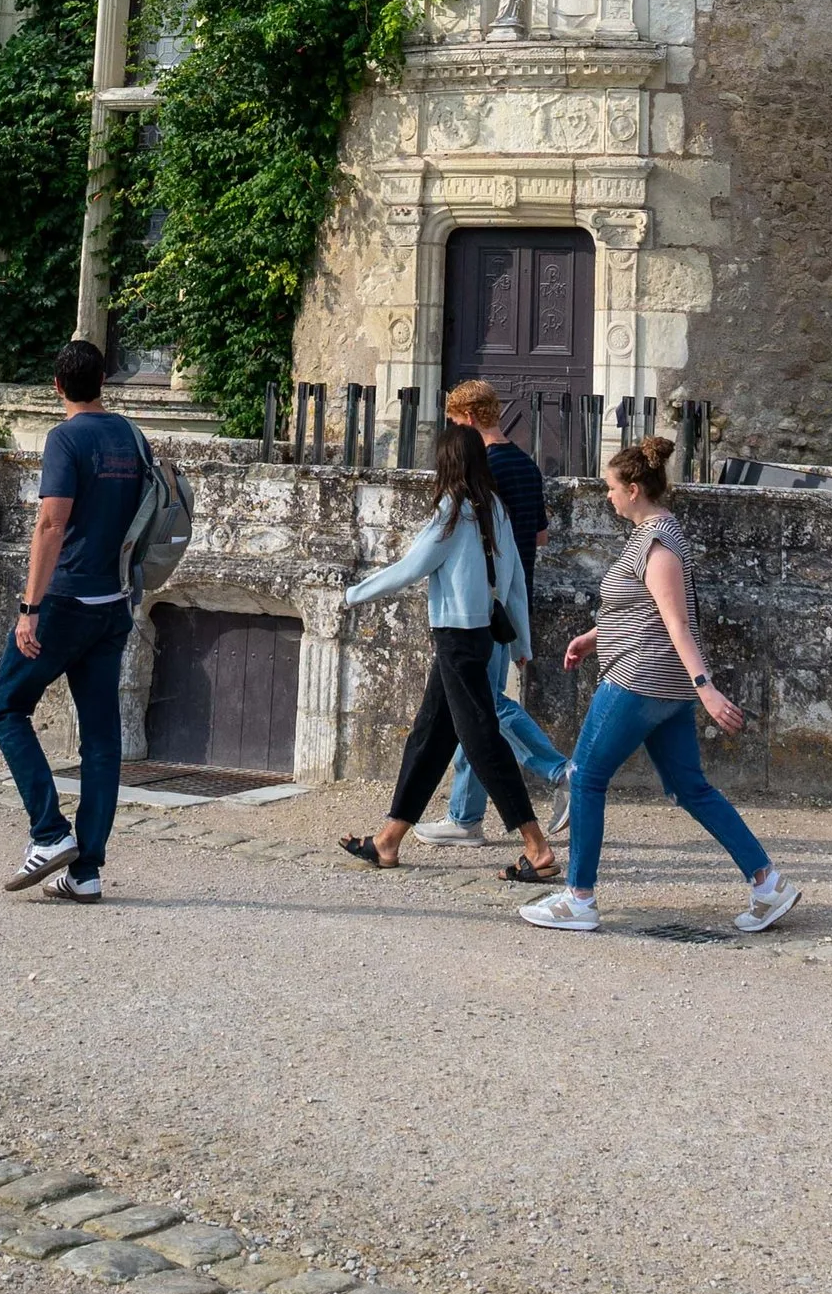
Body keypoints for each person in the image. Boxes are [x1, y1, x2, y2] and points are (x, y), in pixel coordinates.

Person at [517, 435, 800, 936]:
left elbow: (676, 622)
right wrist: (592, 636)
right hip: (660, 684)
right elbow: (638, 609)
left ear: (632, 488)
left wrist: (706, 687)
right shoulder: (654, 534)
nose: (606, 496)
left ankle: (579, 898)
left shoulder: (657, 542)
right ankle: (767, 883)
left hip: (640, 678)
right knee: (690, 787)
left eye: (610, 488)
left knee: (584, 777)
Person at [337, 420, 565, 881]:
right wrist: (520, 640)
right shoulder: (494, 508)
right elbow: (515, 580)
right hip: (477, 636)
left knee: (481, 738)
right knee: (430, 737)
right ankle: (388, 840)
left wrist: (351, 594)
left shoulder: (452, 509)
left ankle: (537, 849)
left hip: (456, 639)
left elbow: (413, 566)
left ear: (446, 462)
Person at [0, 336, 146, 905]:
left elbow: (51, 525)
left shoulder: (65, 438)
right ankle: (87, 871)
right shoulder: (131, 435)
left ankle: (50, 833)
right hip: (115, 604)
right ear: (103, 381)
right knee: (102, 740)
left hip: (66, 602)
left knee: (6, 708)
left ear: (57, 387)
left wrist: (29, 609)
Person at [411, 379, 573, 843]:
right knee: (473, 711)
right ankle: (465, 816)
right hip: (510, 604)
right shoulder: (524, 463)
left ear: (465, 419)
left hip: (483, 606)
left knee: (482, 706)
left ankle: (561, 771)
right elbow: (538, 537)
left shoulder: (485, 470)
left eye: (452, 423)